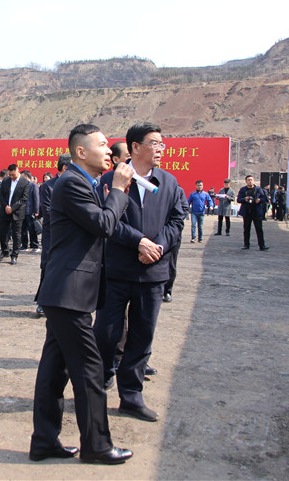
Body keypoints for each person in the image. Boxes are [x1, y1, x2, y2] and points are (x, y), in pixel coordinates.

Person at [31, 124, 134, 465]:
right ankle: (97, 446)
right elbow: (104, 225)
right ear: (80, 151)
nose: (109, 151)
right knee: (90, 369)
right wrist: (118, 189)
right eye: (102, 145)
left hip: (66, 292)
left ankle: (44, 441)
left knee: (54, 369)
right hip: (68, 293)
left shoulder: (83, 182)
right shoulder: (73, 183)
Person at [93, 122, 186, 424]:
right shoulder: (112, 179)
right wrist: (139, 242)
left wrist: (157, 246)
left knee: (142, 337)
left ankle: (131, 397)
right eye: (154, 143)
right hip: (117, 270)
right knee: (105, 334)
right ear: (135, 147)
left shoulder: (168, 182)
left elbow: (177, 219)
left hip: (152, 273)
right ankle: (97, 385)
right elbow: (106, 220)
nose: (161, 149)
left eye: (162, 144)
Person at [34, 153, 71, 315]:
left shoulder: (76, 184)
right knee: (48, 266)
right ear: (65, 168)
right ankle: (43, 301)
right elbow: (48, 212)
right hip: (53, 234)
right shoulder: (48, 186)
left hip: (71, 235)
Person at [0, 164, 30, 264]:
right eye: (10, 174)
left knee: (16, 234)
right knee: (2, 232)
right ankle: (5, 251)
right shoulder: (6, 180)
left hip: (17, 212)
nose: (11, 176)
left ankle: (14, 255)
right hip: (5, 210)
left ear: (17, 171)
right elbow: (1, 195)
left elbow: (24, 199)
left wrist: (12, 207)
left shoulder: (25, 182)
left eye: (13, 174)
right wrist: (6, 206)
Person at [237, 175, 269, 251]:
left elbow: (265, 198)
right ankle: (246, 245)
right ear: (246, 181)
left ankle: (262, 245)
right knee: (246, 229)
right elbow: (238, 199)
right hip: (247, 212)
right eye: (248, 180)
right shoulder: (243, 190)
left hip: (256, 212)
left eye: (251, 180)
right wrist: (244, 199)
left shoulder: (258, 189)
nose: (250, 181)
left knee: (259, 229)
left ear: (254, 181)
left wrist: (259, 200)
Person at [20, 171, 41, 250]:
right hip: (22, 211)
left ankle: (34, 244)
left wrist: (36, 211)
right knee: (23, 229)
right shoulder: (21, 185)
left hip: (30, 211)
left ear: (26, 176)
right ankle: (24, 245)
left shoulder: (33, 185)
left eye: (22, 176)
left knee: (32, 228)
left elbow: (36, 199)